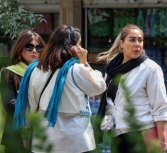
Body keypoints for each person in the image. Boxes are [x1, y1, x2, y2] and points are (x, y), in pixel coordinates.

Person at [13, 24, 106, 153]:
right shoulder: (77, 69)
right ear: (72, 47)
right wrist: (85, 63)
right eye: (79, 45)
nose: (81, 49)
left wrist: (26, 132)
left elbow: (30, 107)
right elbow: (99, 86)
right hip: (76, 141)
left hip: (44, 140)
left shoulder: (35, 69)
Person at [97, 24, 167, 153]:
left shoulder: (150, 69)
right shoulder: (112, 67)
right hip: (118, 134)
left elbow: (160, 106)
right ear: (121, 43)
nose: (137, 44)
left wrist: (162, 141)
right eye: (132, 40)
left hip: (142, 132)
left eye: (140, 40)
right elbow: (107, 98)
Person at [0, 29, 46, 153]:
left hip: (39, 132)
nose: (34, 51)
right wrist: (34, 114)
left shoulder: (45, 73)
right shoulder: (10, 72)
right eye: (29, 47)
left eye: (38, 48)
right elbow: (9, 103)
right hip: (16, 134)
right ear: (20, 48)